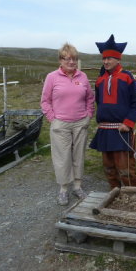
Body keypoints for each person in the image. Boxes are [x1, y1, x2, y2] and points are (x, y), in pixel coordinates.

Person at [40, 43, 95, 205]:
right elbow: (45, 101)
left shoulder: (82, 77)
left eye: (75, 59)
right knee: (62, 157)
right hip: (61, 124)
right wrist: (53, 119)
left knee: (78, 155)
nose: (71, 62)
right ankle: (63, 189)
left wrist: (88, 115)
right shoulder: (52, 77)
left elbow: (90, 98)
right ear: (60, 60)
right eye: (68, 59)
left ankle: (77, 186)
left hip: (80, 123)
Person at [90, 34, 136, 189]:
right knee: (109, 168)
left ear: (118, 59)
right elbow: (100, 102)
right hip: (105, 129)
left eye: (110, 58)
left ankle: (133, 196)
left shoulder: (127, 77)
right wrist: (100, 120)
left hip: (122, 129)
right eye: (104, 59)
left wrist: (128, 123)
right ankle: (115, 194)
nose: (106, 62)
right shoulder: (100, 80)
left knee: (125, 169)